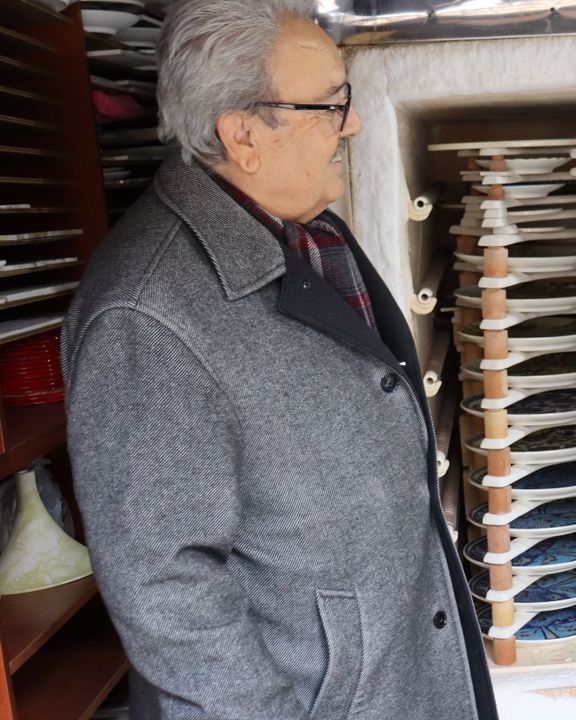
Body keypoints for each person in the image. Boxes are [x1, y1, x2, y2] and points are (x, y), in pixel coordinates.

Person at [60, 1, 497, 718]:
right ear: (243, 136)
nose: (352, 125)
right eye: (330, 105)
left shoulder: (302, 231)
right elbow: (167, 593)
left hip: (390, 673)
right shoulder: (145, 316)